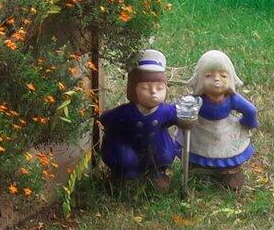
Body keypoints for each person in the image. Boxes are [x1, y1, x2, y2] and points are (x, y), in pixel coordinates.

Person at [95, 47, 187, 183]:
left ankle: (157, 174)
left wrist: (187, 119)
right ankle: (126, 176)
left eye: (159, 88)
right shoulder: (126, 112)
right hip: (128, 146)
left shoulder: (165, 111)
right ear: (133, 90)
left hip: (156, 148)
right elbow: (107, 118)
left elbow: (180, 117)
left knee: (163, 156)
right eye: (145, 88)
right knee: (126, 159)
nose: (153, 93)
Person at [179, 48, 260, 189]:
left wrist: (248, 123)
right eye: (209, 75)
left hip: (224, 130)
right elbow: (183, 109)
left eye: (223, 76)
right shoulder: (198, 99)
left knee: (228, 151)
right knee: (197, 149)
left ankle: (229, 172)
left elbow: (250, 110)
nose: (217, 79)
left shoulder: (232, 99)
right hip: (201, 129)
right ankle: (196, 167)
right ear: (200, 79)